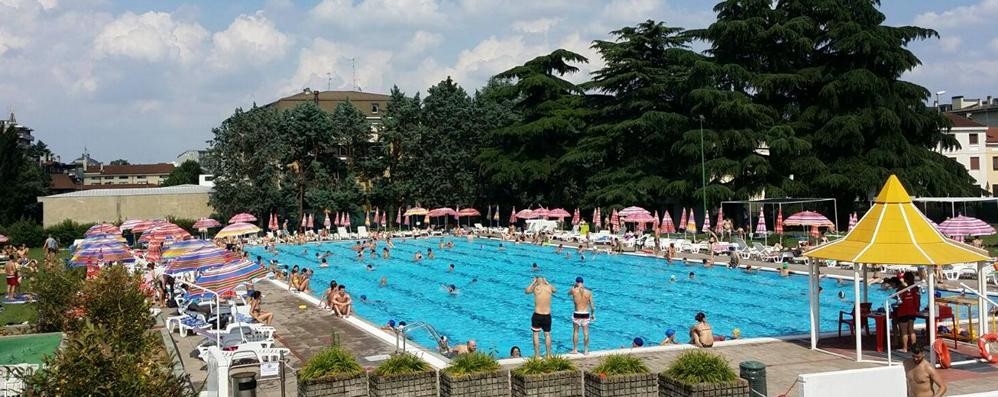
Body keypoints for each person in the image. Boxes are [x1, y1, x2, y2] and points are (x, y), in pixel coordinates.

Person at [526, 276, 555, 358]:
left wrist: (533, 282)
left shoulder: (536, 288)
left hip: (537, 315)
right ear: (544, 281)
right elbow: (555, 290)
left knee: (536, 335)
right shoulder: (549, 288)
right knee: (547, 335)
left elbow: (527, 291)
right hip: (547, 315)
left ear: (537, 281)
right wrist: (547, 282)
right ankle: (548, 355)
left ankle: (537, 355)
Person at [569, 276, 594, 354]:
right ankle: (586, 350)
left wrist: (574, 286)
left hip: (577, 313)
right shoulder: (589, 292)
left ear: (576, 282)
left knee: (576, 332)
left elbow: (568, 293)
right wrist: (592, 314)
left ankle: (575, 349)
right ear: (583, 283)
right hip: (585, 314)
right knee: (586, 333)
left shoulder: (574, 290)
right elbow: (592, 307)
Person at [896, 272, 920, 352]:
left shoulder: (901, 288)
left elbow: (897, 296)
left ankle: (905, 348)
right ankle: (914, 348)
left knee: (904, 331)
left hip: (903, 310)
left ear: (905, 278)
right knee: (911, 329)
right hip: (912, 310)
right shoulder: (915, 287)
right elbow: (918, 299)